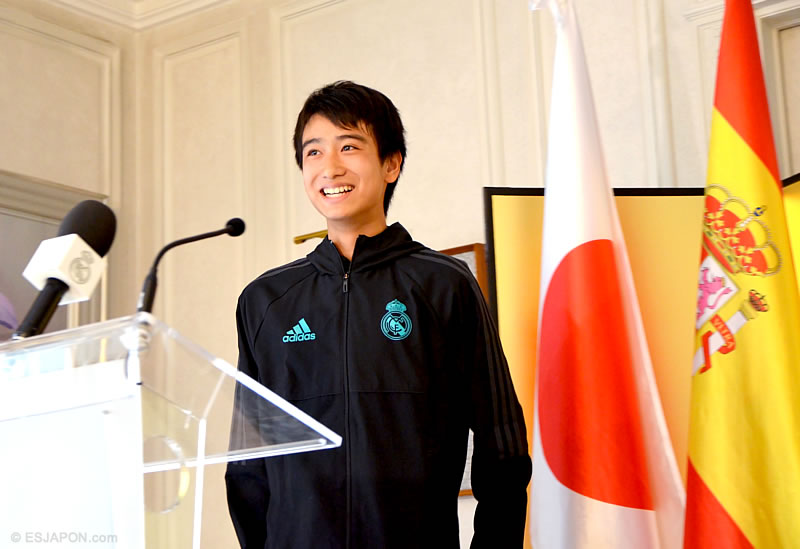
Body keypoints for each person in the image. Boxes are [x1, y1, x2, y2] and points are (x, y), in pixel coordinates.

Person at [225, 81, 531, 549]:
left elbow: (501, 443)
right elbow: (249, 462)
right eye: (313, 152)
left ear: (391, 164)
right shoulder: (266, 300)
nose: (330, 167)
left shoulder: (444, 285)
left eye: (349, 146)